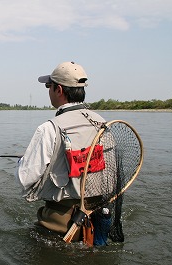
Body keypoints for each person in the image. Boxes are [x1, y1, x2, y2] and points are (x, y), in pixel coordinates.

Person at [15, 61, 106, 241]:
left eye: (49, 86)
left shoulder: (49, 129)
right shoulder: (102, 123)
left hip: (60, 223)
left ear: (59, 90)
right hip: (98, 218)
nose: (48, 91)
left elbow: (24, 179)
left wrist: (23, 162)